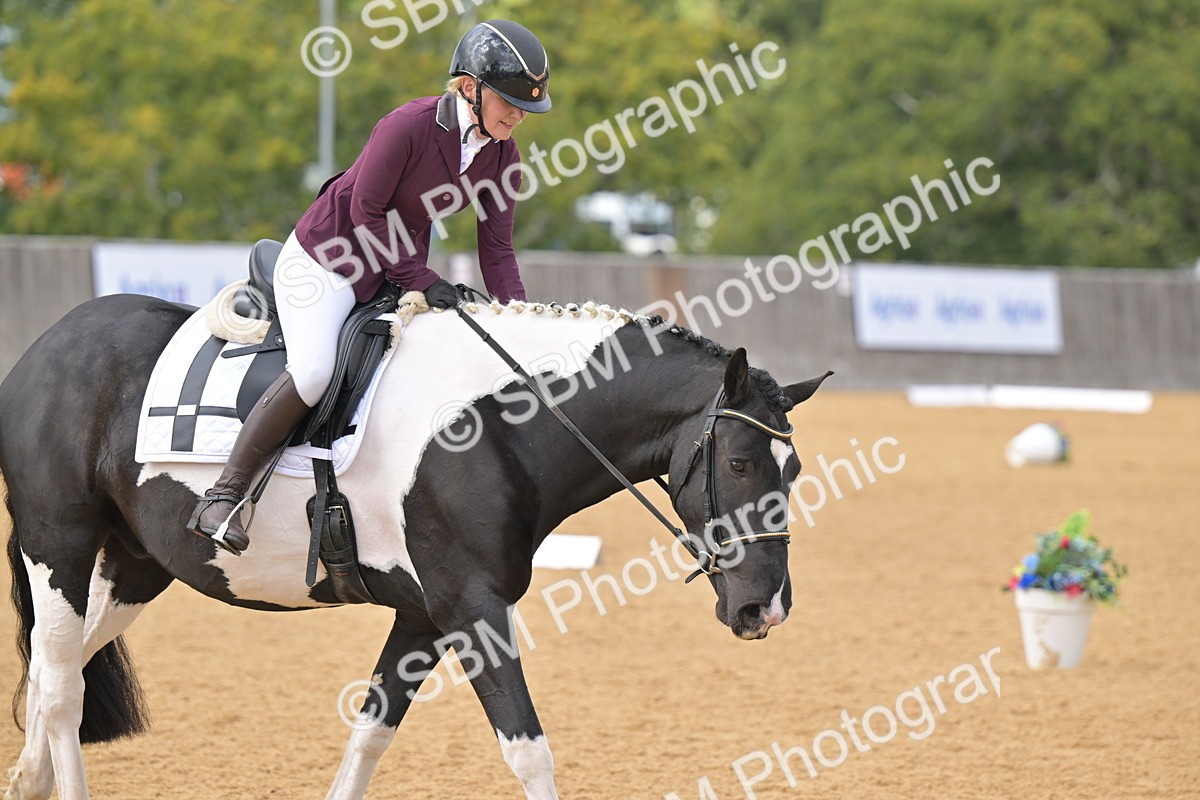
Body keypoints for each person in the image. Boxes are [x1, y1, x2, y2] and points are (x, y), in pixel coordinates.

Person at [188, 19, 552, 554]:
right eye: (510, 102)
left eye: (527, 108)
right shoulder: (407, 126)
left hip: (390, 272)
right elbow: (365, 210)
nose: (518, 116)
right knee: (314, 372)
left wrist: (524, 326)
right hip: (326, 260)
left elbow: (496, 253)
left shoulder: (503, 157)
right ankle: (224, 496)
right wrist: (422, 280)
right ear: (471, 88)